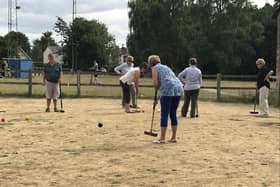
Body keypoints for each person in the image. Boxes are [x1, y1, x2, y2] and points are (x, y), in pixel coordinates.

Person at [148, 55, 183, 144]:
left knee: (164, 114)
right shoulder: (166, 67)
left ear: (150, 63)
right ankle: (173, 137)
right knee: (173, 113)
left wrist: (156, 96)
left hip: (167, 90)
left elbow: (155, 84)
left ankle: (162, 138)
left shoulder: (154, 68)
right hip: (178, 88)